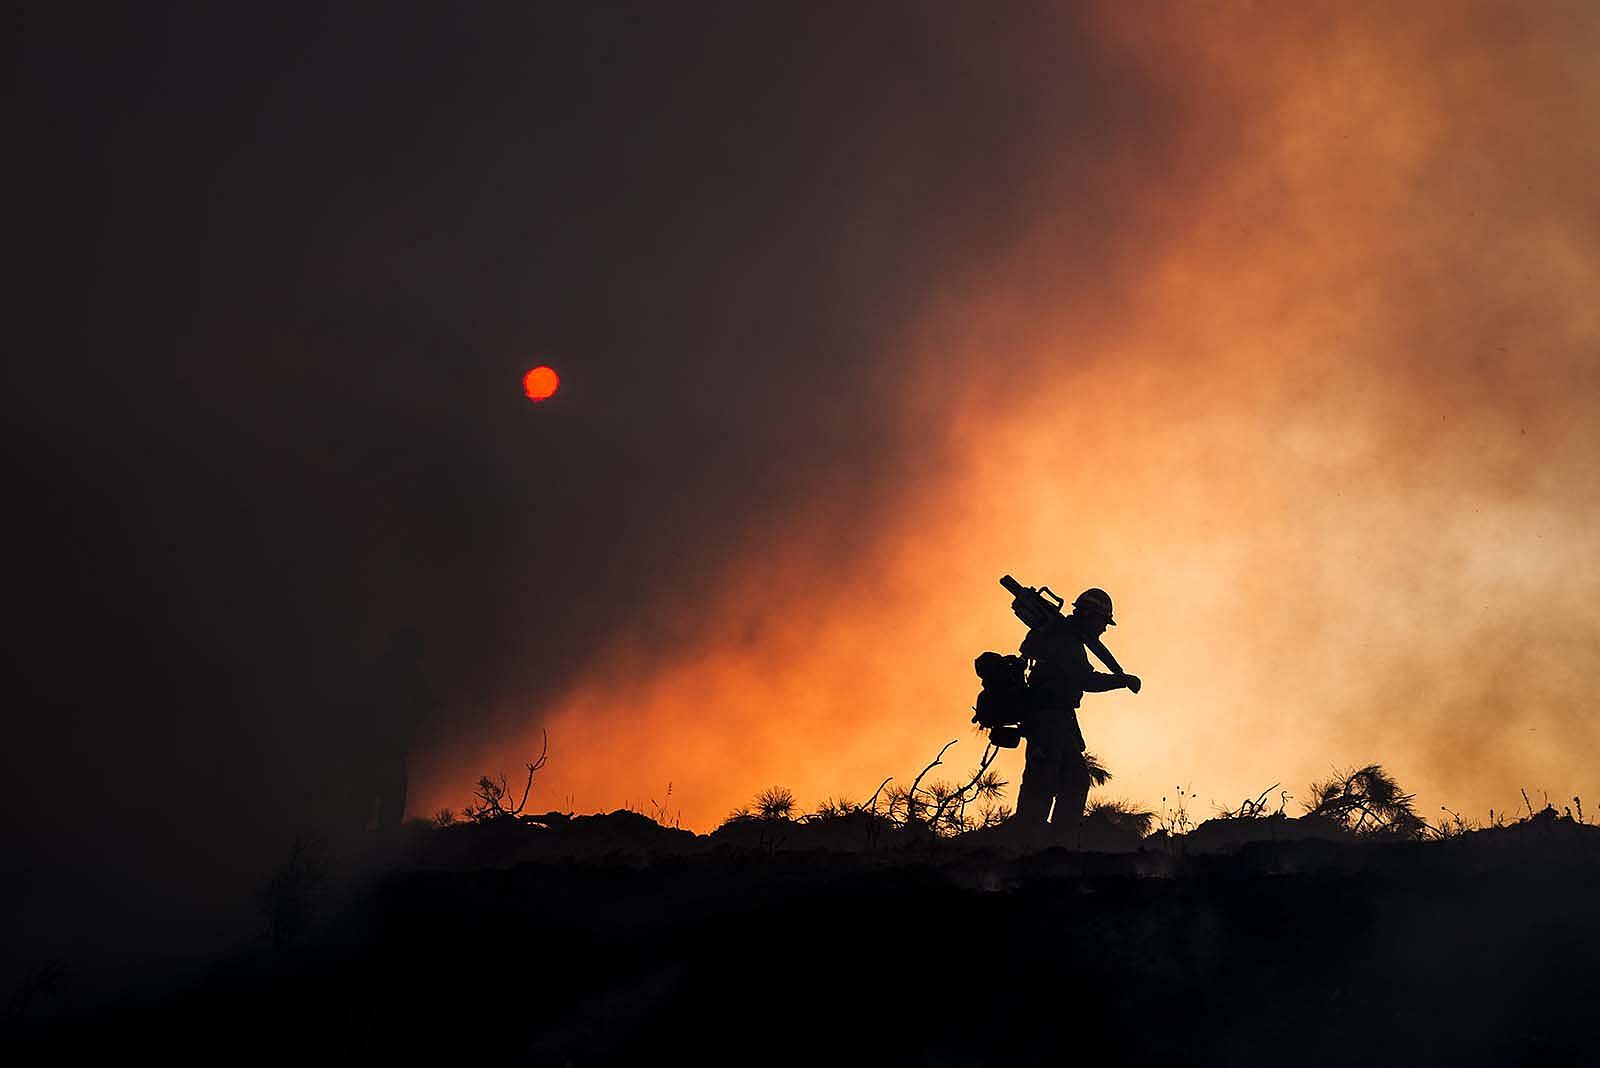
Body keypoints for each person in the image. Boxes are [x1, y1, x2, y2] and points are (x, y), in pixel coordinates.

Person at [1013, 587, 1139, 844]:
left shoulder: (1064, 636)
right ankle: (1027, 849)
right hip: (1048, 721)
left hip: (1059, 721)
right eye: (1103, 621)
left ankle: (1058, 848)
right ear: (1090, 616)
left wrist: (1120, 678)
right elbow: (1085, 679)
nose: (1103, 629)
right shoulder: (1065, 639)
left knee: (1075, 780)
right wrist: (1121, 681)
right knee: (1042, 783)